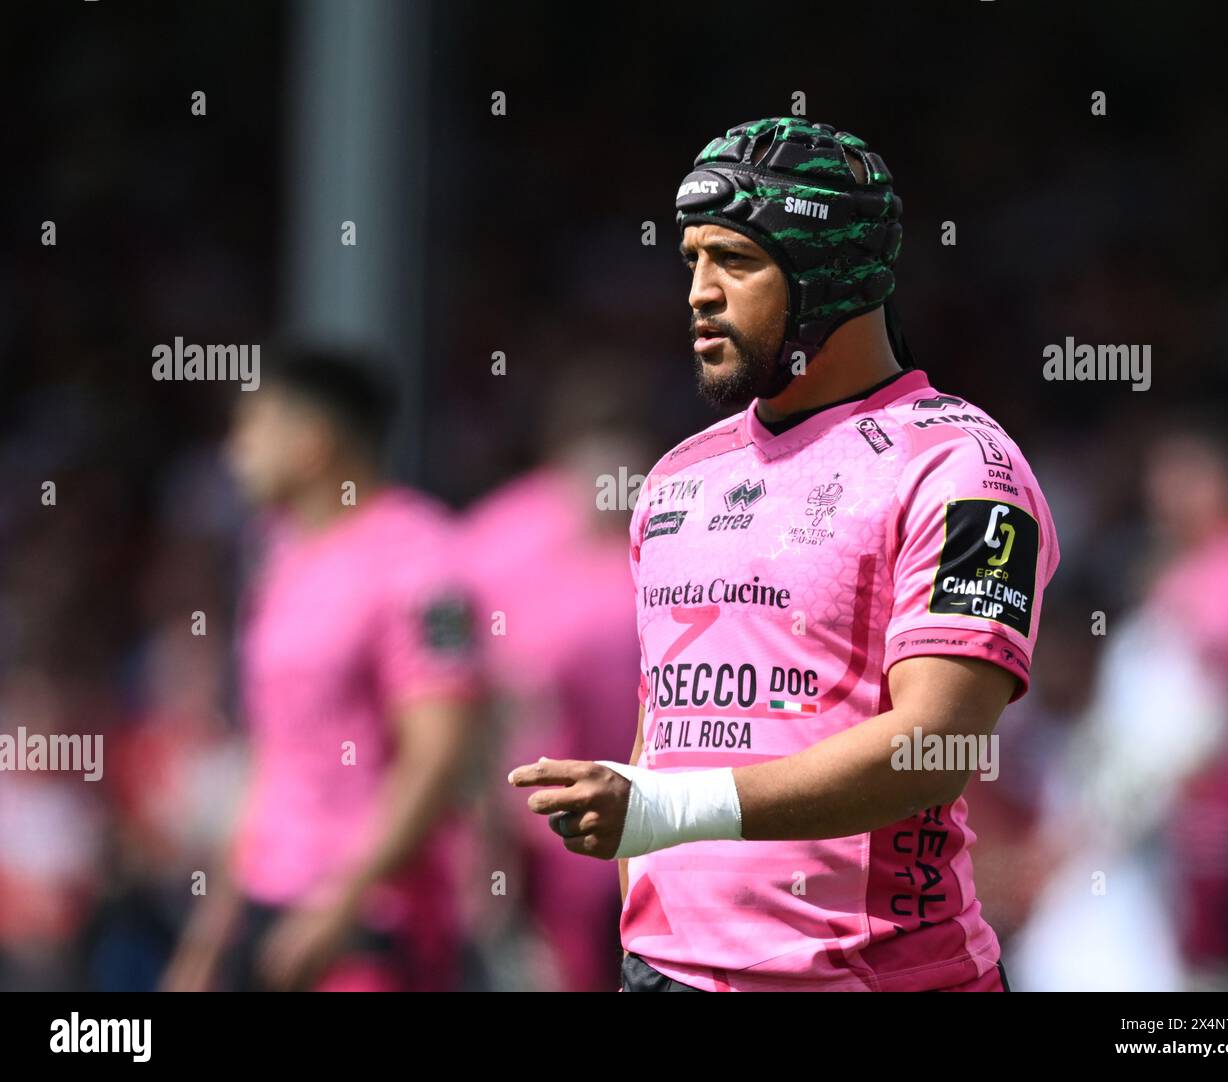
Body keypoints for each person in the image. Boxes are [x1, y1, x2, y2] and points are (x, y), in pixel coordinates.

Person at [509, 117, 1060, 991]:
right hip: (663, 973)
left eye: (736, 260)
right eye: (691, 260)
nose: (698, 291)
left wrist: (663, 810)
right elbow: (664, 731)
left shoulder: (960, 467)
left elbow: (941, 743)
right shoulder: (675, 478)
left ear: (830, 275)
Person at [161, 349, 481, 992]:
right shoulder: (281, 557)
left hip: (368, 926)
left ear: (310, 442)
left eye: (248, 429)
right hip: (269, 906)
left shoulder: (426, 560)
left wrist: (339, 907)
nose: (233, 453)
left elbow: (439, 754)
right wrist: (209, 938)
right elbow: (271, 759)